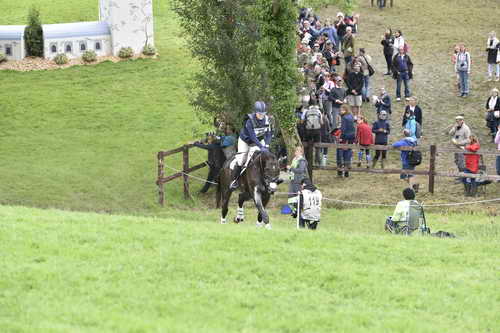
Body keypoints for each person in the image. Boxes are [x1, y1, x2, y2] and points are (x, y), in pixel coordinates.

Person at [230, 101, 272, 190]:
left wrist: (267, 145)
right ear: (255, 112)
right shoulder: (249, 121)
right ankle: (235, 180)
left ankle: (269, 179)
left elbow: (268, 134)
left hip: (259, 140)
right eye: (259, 114)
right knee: (242, 160)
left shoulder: (267, 119)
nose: (261, 116)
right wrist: (261, 147)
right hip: (245, 141)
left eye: (263, 114)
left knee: (266, 156)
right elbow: (253, 137)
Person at [287, 146, 309, 215]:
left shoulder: (302, 161)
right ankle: (294, 210)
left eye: (297, 151)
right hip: (292, 180)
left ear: (301, 152)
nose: (295, 153)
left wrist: (291, 168)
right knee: (290, 196)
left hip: (299, 181)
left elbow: (300, 170)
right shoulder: (294, 159)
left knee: (298, 196)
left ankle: (299, 211)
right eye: (295, 151)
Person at [302, 98, 324, 165]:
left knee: (307, 146)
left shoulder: (306, 111)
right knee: (318, 146)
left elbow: (302, 121)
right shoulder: (318, 111)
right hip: (317, 131)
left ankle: (307, 161)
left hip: (308, 131)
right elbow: (321, 122)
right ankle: (317, 161)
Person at [337, 105, 356, 177]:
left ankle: (340, 171)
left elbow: (343, 129)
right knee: (348, 154)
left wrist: (340, 137)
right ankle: (347, 172)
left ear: (345, 110)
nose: (340, 111)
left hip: (345, 138)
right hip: (351, 137)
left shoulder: (344, 118)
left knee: (340, 153)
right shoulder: (351, 116)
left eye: (341, 110)